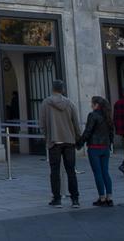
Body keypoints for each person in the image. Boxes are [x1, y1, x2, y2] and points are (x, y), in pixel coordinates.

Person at [39, 79, 80, 207]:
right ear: (62, 89)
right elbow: (75, 123)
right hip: (69, 141)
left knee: (55, 171)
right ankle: (75, 199)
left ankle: (57, 199)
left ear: (53, 89)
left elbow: (42, 123)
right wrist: (77, 137)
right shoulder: (70, 103)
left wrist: (47, 136)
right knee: (71, 171)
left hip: (54, 140)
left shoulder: (46, 103)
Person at [77, 95, 114, 207]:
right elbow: (111, 132)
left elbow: (88, 131)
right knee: (105, 172)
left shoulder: (93, 115)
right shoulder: (107, 116)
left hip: (94, 148)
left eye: (92, 103)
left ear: (96, 105)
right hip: (105, 147)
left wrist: (80, 143)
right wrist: (109, 144)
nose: (91, 105)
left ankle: (101, 198)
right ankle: (109, 197)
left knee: (97, 173)